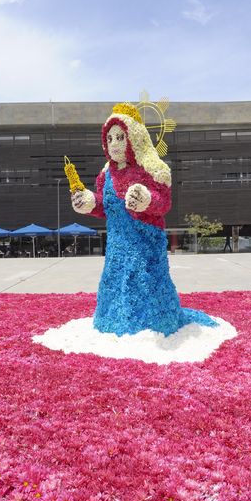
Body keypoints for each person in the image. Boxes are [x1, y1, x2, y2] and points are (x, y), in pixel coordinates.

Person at [69, 102, 218, 336]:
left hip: (144, 244)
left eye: (120, 137)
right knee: (115, 282)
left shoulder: (152, 168)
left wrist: (147, 200)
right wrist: (90, 203)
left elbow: (164, 204)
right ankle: (113, 323)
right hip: (117, 247)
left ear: (133, 137)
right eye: (110, 139)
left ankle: (151, 326)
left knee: (145, 283)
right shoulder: (105, 174)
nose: (114, 144)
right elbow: (106, 207)